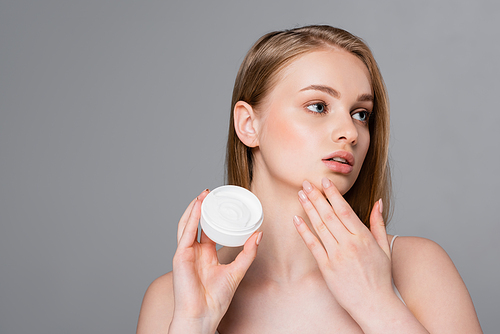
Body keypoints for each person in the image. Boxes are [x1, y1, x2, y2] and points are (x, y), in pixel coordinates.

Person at [137, 25, 482, 333]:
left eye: (361, 114)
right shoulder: (173, 299)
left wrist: (378, 305)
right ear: (248, 125)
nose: (350, 132)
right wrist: (194, 325)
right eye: (318, 106)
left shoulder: (415, 269)